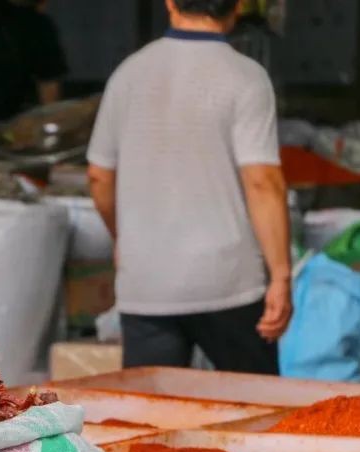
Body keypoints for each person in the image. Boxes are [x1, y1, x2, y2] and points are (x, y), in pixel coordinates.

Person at [87, 0, 292, 374]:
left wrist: (123, 238)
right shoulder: (246, 77)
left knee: (151, 406)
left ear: (169, 2)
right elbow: (262, 182)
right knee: (252, 401)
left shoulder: (128, 75)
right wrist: (281, 275)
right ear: (237, 6)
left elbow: (99, 176)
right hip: (228, 281)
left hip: (147, 282)